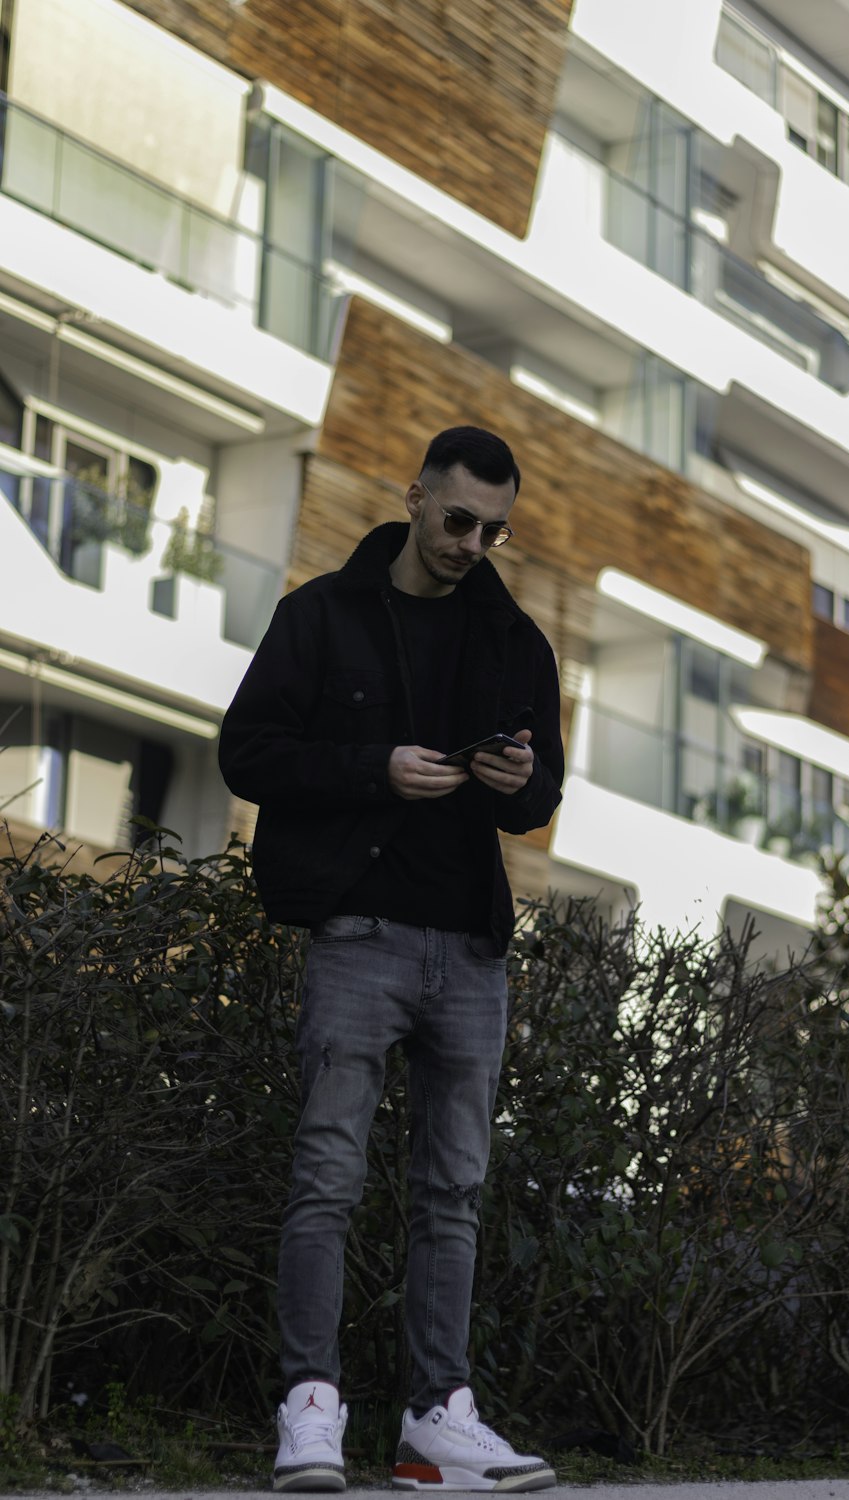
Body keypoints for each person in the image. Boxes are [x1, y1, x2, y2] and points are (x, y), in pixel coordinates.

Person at [218, 426, 564, 1494]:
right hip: (358, 934)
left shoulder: (515, 641)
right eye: (457, 519)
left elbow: (542, 796)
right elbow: (247, 752)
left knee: (453, 1191)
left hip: (469, 944)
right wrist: (376, 768)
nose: (472, 543)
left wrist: (515, 782)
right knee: (326, 1178)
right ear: (413, 496)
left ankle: (435, 1421)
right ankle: (310, 1407)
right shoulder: (319, 616)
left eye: (494, 529)